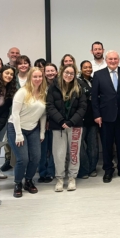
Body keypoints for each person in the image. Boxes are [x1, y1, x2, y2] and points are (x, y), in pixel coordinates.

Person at [92, 50, 120, 183]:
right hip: (105, 117)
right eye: (110, 59)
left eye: (115, 59)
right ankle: (108, 170)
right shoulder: (98, 75)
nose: (113, 61)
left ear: (119, 60)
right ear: (106, 59)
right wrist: (97, 115)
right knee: (107, 144)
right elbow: (94, 98)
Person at [7, 67, 47, 198]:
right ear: (30, 78)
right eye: (35, 77)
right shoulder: (22, 92)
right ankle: (18, 183)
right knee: (23, 159)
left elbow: (43, 115)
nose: (38, 79)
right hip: (16, 128)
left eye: (40, 76)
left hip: (33, 129)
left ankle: (28, 181)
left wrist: (42, 132)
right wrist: (18, 134)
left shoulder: (43, 92)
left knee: (36, 157)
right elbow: (15, 114)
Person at [47, 64, 87, 192]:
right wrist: (61, 120)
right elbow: (50, 106)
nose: (68, 75)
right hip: (58, 126)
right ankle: (59, 179)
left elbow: (83, 107)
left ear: (75, 75)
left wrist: (71, 121)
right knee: (59, 154)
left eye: (71, 73)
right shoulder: (53, 86)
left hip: (75, 125)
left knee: (74, 153)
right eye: (66, 72)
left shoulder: (79, 86)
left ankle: (71, 178)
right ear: (61, 72)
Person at [0, 47, 21, 172]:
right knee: (8, 137)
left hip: (20, 109)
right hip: (7, 107)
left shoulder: (22, 68)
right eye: (12, 53)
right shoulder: (4, 69)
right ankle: (8, 159)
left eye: (17, 53)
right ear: (8, 54)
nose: (14, 55)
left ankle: (18, 160)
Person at [77, 60, 99, 178]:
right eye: (85, 67)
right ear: (81, 69)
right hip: (80, 119)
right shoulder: (77, 81)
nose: (88, 69)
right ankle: (84, 169)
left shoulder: (94, 80)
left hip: (93, 118)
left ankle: (92, 168)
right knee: (80, 147)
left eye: (90, 67)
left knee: (93, 146)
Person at [38, 62, 58, 183]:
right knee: (42, 149)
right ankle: (42, 172)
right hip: (40, 121)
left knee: (53, 148)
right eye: (48, 71)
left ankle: (51, 172)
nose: (50, 73)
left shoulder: (60, 84)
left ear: (56, 72)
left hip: (55, 121)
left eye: (52, 71)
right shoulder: (40, 85)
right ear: (44, 73)